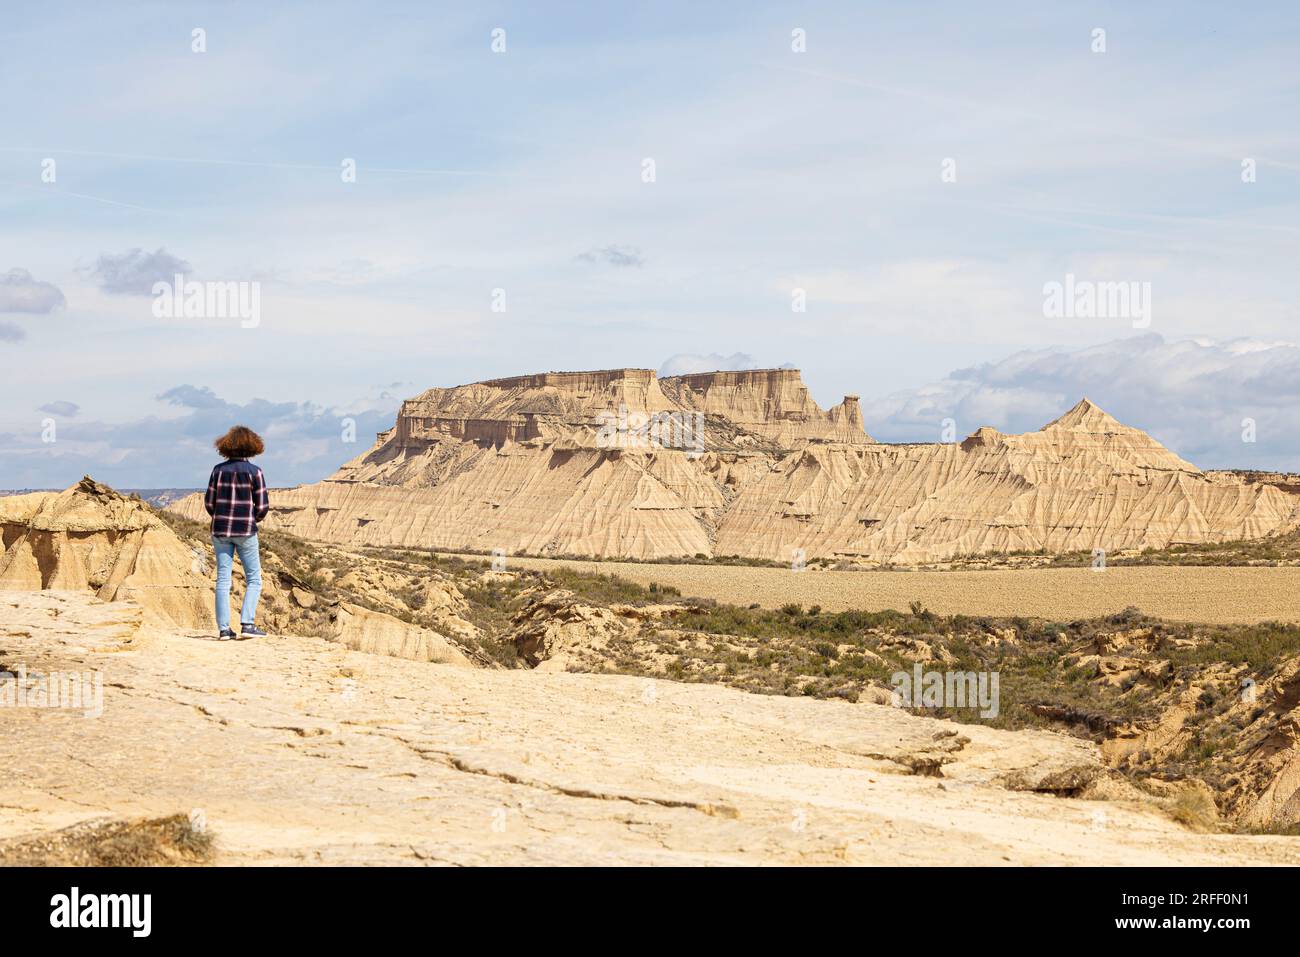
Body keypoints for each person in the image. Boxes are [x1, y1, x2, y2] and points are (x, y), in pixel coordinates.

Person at [204, 425, 271, 639]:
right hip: (246, 531)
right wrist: (252, 519)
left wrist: (220, 517)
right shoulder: (255, 472)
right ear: (252, 446)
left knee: (223, 579)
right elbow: (262, 506)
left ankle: (224, 630)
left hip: (220, 530)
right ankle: (248, 624)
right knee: (254, 578)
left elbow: (209, 502)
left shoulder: (218, 470)